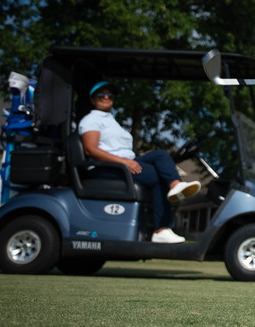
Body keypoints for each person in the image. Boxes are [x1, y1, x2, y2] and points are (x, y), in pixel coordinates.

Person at [79, 81, 201, 244]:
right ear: (93, 100)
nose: (106, 97)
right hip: (108, 167)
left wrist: (126, 161)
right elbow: (90, 150)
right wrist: (123, 162)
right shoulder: (91, 119)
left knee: (161, 155)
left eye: (110, 95)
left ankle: (175, 185)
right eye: (101, 95)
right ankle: (161, 229)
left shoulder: (109, 119)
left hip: (123, 163)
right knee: (157, 176)